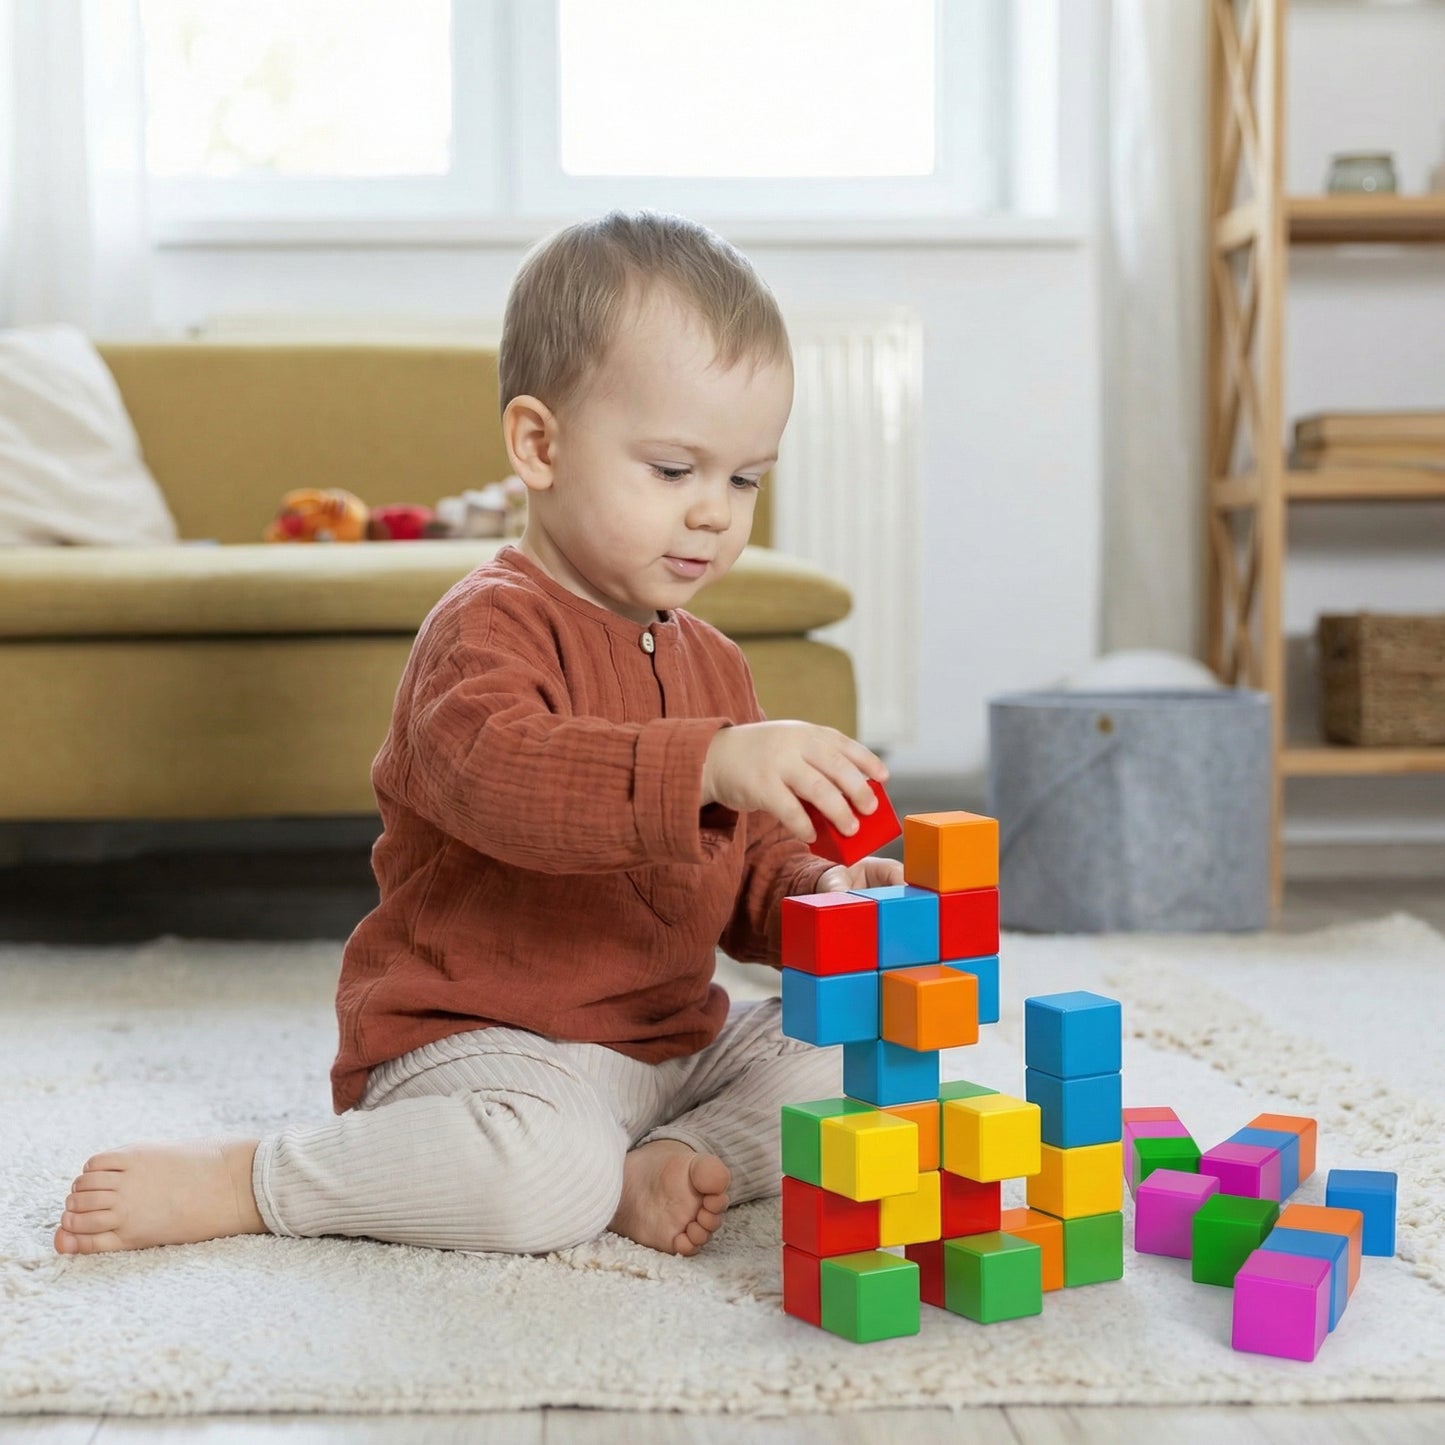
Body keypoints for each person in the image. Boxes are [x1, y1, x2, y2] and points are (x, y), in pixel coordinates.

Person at [52, 210, 902, 1261]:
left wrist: (823, 897)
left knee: (864, 1048)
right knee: (540, 1178)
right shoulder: (482, 627)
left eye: (742, 479)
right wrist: (711, 759)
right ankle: (257, 1177)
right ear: (538, 445)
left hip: (671, 1048)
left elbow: (744, 866)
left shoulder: (715, 661)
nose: (714, 515)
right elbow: (510, 779)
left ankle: (664, 1160)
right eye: (673, 470)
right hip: (488, 1048)